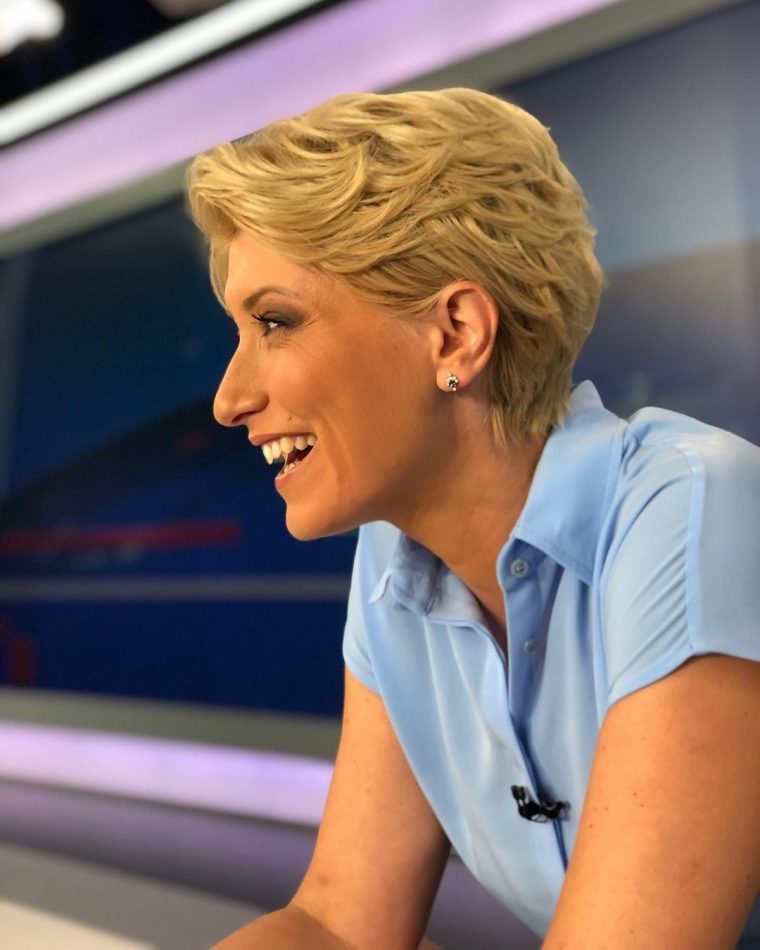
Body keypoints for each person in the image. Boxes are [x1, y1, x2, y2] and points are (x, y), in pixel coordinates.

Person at [186, 88, 760, 949]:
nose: (230, 399)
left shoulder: (695, 509)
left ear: (456, 333)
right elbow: (337, 924)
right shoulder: (393, 560)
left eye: (275, 322)